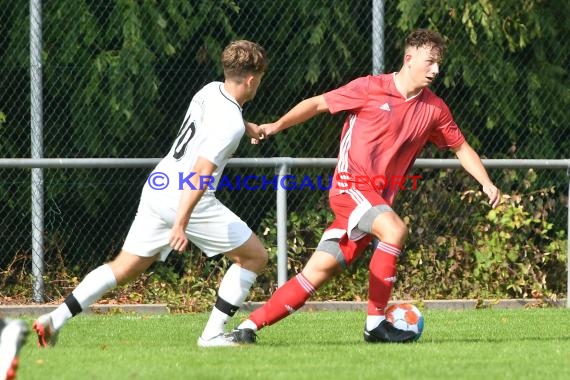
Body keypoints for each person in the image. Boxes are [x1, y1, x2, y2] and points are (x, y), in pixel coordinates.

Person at [230, 29, 501, 344]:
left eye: (438, 64)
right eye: (430, 62)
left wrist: (486, 182)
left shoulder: (434, 109)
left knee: (317, 273)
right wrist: (275, 126)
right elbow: (317, 103)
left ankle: (246, 328)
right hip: (350, 187)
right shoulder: (370, 88)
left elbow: (461, 147)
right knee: (395, 230)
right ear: (409, 59)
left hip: (372, 203)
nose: (435, 70)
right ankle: (375, 325)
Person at [33, 40, 269, 348]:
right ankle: (212, 335)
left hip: (159, 184)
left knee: (124, 267)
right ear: (252, 79)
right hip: (186, 197)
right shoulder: (230, 123)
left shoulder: (211, 90)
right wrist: (181, 223)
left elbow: (216, 121)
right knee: (254, 257)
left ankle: (55, 318)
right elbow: (199, 173)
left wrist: (247, 126)